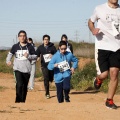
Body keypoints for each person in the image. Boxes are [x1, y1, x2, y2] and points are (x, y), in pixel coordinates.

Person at [88, 0, 120, 109]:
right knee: (104, 74)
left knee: (115, 73)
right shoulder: (99, 8)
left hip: (117, 46)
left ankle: (109, 100)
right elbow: (90, 21)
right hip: (102, 46)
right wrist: (93, 29)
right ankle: (99, 79)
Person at [6, 30, 37, 103]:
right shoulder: (15, 46)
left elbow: (35, 56)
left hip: (27, 69)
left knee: (24, 86)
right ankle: (17, 101)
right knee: (19, 84)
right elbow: (10, 54)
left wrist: (29, 56)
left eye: (24, 36)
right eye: (21, 36)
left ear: (26, 37)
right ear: (18, 37)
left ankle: (22, 101)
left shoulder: (30, 46)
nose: (22, 37)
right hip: (17, 69)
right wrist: (8, 61)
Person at [36, 34, 57, 99]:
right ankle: (47, 93)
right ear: (43, 40)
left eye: (47, 39)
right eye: (45, 39)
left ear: (49, 40)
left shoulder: (52, 47)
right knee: (46, 78)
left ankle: (51, 79)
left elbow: (57, 55)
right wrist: (37, 58)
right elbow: (37, 54)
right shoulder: (40, 47)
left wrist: (53, 55)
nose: (46, 41)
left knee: (51, 78)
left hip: (51, 65)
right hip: (44, 66)